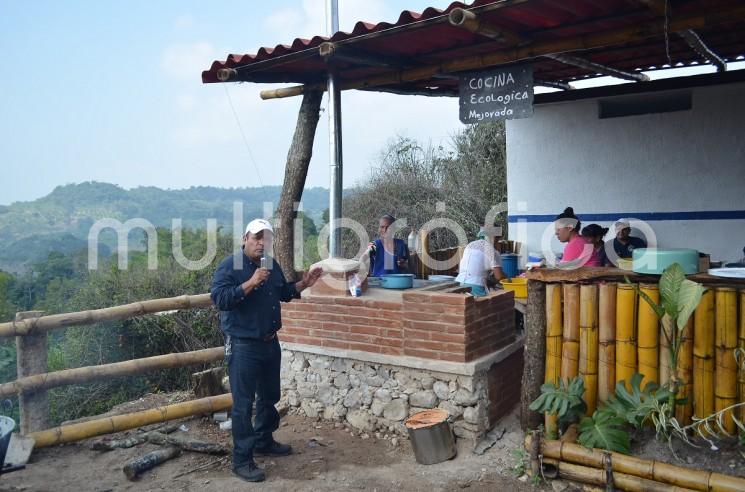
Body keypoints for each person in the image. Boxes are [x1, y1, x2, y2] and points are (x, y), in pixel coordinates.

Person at [211, 218, 322, 483]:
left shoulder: (271, 265)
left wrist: (303, 284)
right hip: (243, 345)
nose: (262, 242)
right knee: (243, 405)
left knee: (269, 396)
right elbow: (220, 299)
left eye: (266, 238)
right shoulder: (230, 266)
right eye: (257, 237)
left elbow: (283, 292)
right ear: (244, 239)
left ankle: (264, 440)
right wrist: (249, 283)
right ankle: (242, 460)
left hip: (270, 342)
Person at [455, 226, 505, 296]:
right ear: (496, 237)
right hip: (475, 286)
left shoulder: (470, 245)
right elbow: (499, 277)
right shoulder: (492, 251)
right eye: (498, 237)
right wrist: (507, 279)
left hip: (458, 283)